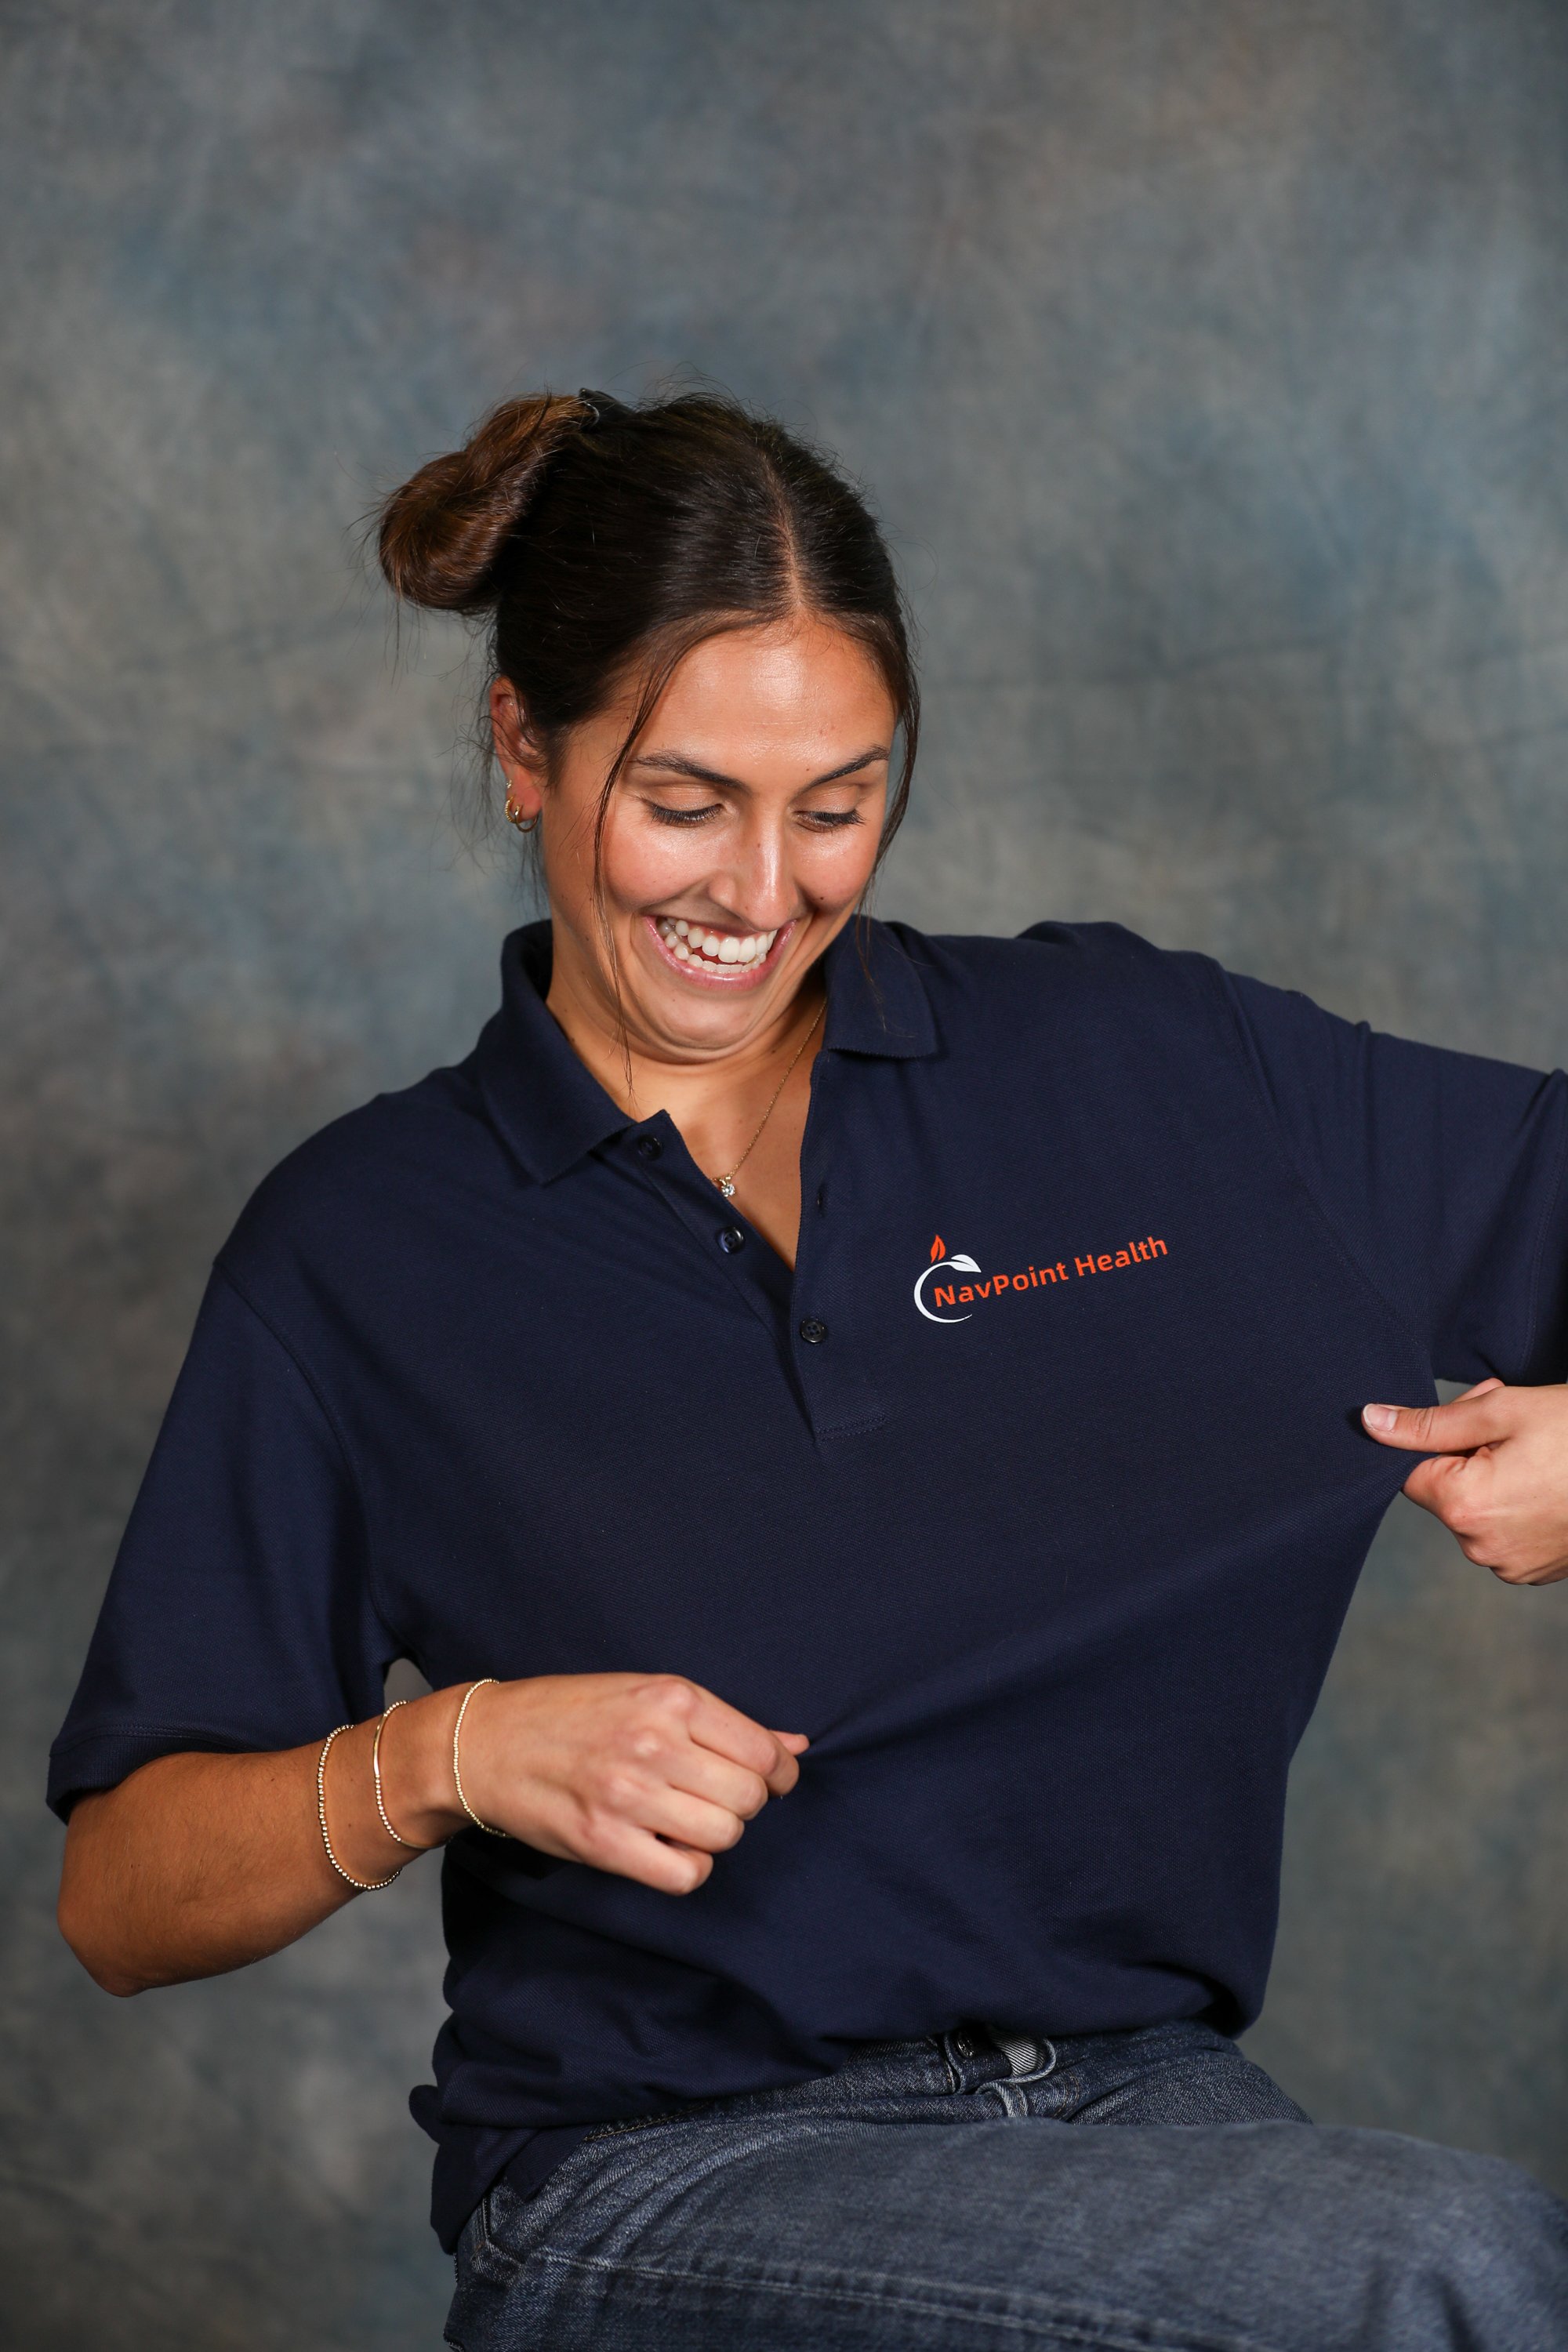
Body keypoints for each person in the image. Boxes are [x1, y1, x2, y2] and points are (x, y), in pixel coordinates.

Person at [50, 388, 1568, 2351]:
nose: (764, 892)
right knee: (1455, 2280)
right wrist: (448, 1756)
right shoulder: (362, 1246)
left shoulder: (1155, 1068)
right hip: (658, 2171)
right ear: (524, 746)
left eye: (839, 802)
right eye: (686, 801)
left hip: (1158, 2123)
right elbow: (123, 1897)